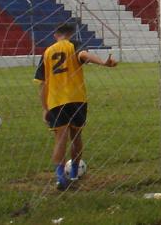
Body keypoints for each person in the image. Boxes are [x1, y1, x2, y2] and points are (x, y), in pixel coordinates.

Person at [34, 23, 117, 190]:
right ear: (71, 34)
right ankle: (73, 175)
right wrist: (103, 63)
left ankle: (60, 178)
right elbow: (85, 55)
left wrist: (45, 108)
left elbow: (42, 84)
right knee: (76, 136)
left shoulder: (47, 52)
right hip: (77, 99)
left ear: (56, 35)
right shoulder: (74, 46)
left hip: (56, 101)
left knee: (60, 138)